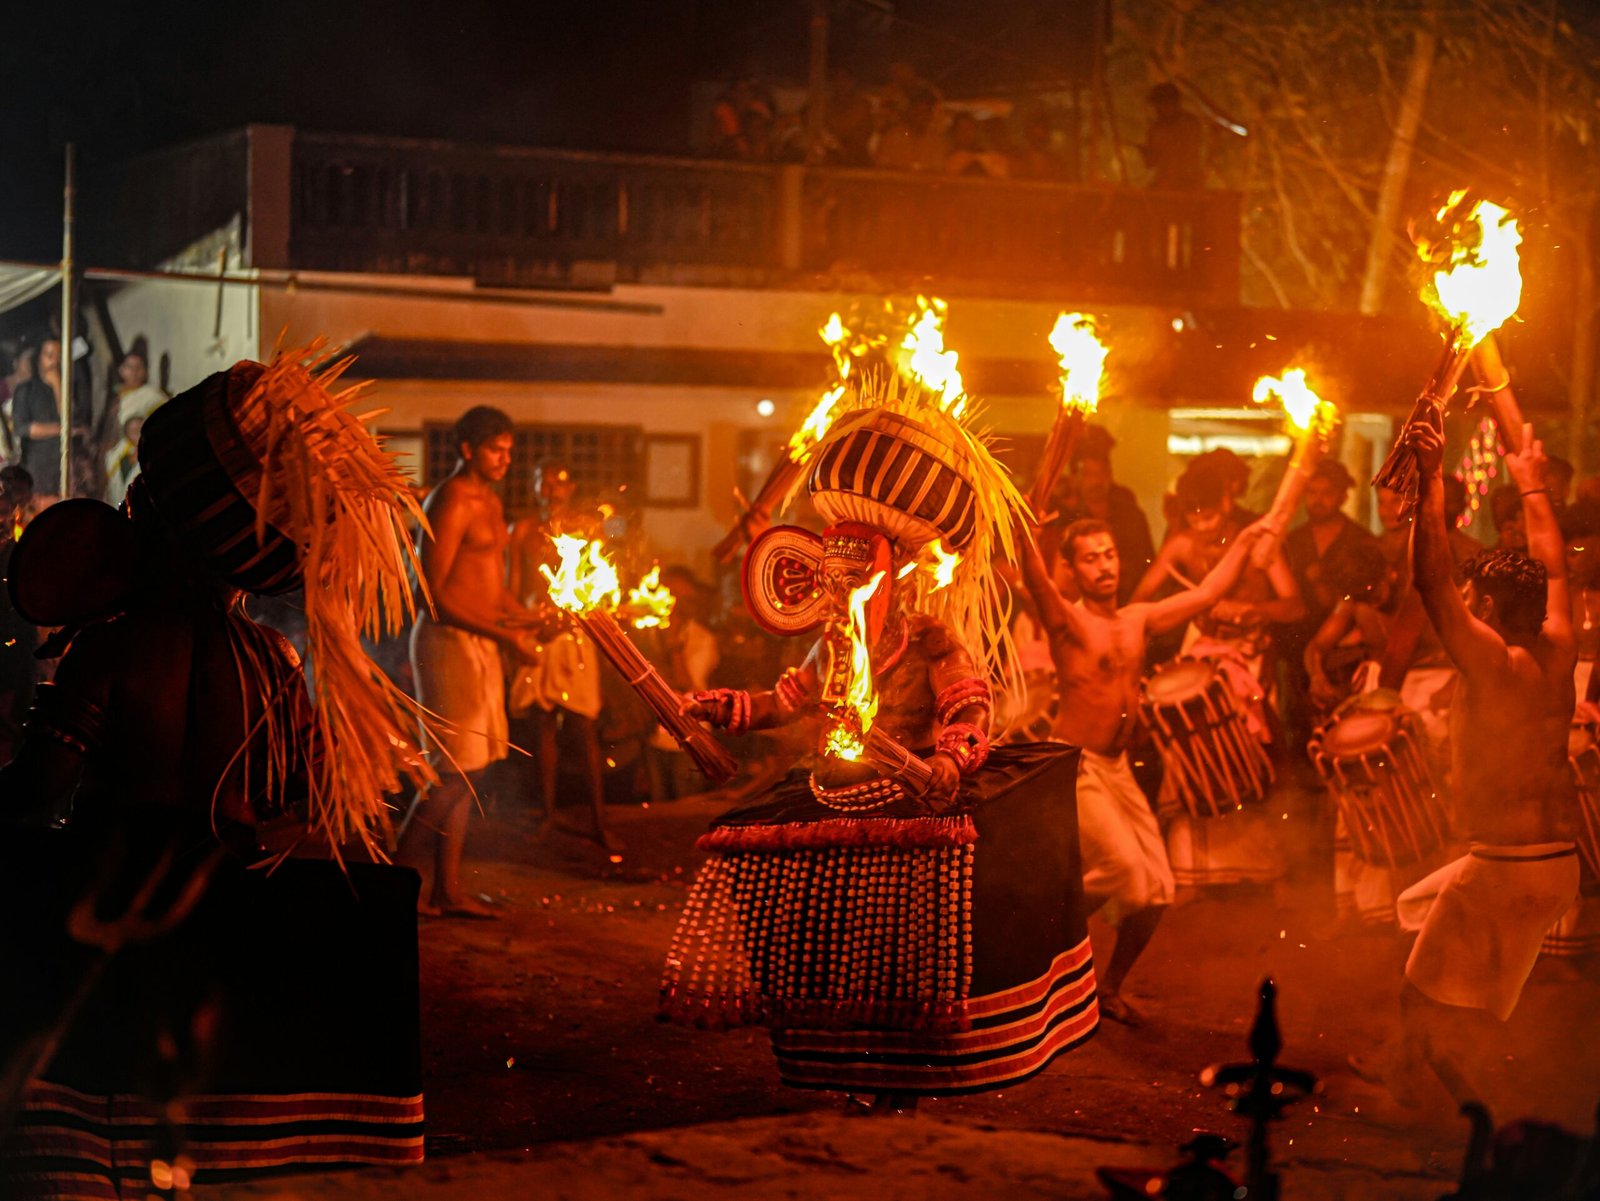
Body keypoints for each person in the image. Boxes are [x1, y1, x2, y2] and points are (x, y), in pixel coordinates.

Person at [0, 348, 433, 1188]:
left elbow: (37, 793)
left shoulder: (112, 649)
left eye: (137, 497)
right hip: (233, 914)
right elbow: (314, 801)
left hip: (116, 919)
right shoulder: (272, 658)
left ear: (157, 523)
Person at [665, 375, 1101, 1107]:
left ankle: (904, 1080)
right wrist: (712, 705)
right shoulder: (833, 640)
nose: (843, 587)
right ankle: (847, 1072)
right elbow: (783, 702)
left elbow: (971, 706)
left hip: (909, 806)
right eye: (835, 574)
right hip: (834, 796)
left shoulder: (932, 635)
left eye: (856, 573)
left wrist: (947, 758)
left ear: (887, 572)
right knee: (829, 951)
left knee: (904, 961)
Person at [1358, 413, 1579, 1107]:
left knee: (1418, 994)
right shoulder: (1561, 641)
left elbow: (1431, 585)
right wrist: (1533, 486)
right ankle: (1425, 1067)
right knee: (1428, 920)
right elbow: (1553, 557)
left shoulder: (1495, 662)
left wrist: (1430, 480)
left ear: (1486, 604)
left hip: (1506, 867)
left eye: (1476, 599)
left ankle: (1476, 1111)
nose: (1469, 605)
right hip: (1558, 865)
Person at [1020, 512, 1273, 1024]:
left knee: (1158, 890)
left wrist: (1245, 541)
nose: (1104, 566)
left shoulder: (1136, 619)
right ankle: (1032, 939)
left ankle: (1108, 989)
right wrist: (1028, 531)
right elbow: (1036, 581)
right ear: (1072, 570)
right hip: (1076, 765)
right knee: (1125, 874)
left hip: (1116, 768)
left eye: (1109, 554)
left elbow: (1203, 596)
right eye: (1090, 559)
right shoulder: (1067, 623)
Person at [399, 406, 544, 916]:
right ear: (467, 451)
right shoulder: (453, 499)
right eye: (494, 449)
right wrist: (506, 639)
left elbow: (493, 588)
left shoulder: (491, 501)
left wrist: (529, 617)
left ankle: (447, 891)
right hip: (446, 644)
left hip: (478, 642)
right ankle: (391, 885)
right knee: (454, 771)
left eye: (509, 449)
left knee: (471, 769)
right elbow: (430, 594)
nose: (506, 458)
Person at [505, 459, 613, 848]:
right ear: (534, 488)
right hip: (538, 634)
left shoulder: (586, 529)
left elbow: (597, 586)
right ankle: (549, 815)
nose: (552, 490)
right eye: (543, 483)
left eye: (559, 483)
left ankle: (599, 821)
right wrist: (519, 630)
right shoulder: (521, 530)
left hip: (574, 635)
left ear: (571, 489)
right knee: (543, 727)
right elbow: (513, 586)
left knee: (585, 730)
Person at [1058, 429, 1156, 605]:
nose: (1097, 481)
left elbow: (1146, 561)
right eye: (1089, 475)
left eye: (1102, 474)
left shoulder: (1127, 510)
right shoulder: (1064, 514)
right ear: (1075, 478)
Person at [11, 337, 82, 499]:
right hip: (38, 470)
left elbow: (71, 418)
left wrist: (58, 385)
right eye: (49, 355)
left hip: (68, 468)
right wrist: (63, 430)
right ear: (39, 359)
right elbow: (24, 428)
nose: (54, 361)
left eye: (58, 355)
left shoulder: (71, 389)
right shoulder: (25, 390)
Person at [102, 351, 168, 509]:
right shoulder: (115, 396)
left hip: (140, 454)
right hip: (116, 455)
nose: (135, 372)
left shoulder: (152, 396)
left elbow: (165, 423)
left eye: (139, 367)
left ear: (145, 370)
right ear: (121, 370)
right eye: (130, 367)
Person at [1141, 82, 1204, 190]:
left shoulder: (1189, 123)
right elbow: (1151, 163)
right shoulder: (1156, 128)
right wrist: (1146, 153)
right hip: (1164, 182)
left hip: (1188, 184)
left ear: (1175, 102)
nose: (1159, 108)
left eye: (1164, 103)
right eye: (1158, 104)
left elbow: (1187, 154)